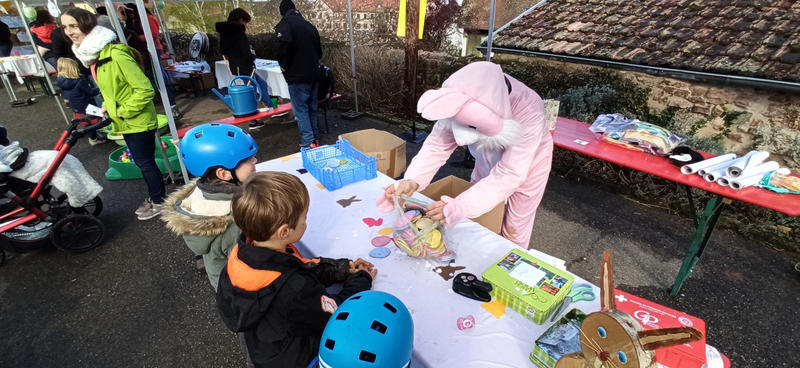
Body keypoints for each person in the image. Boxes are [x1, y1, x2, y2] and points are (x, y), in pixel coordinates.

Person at [380, 61, 554, 249]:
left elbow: (510, 174)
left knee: (515, 227)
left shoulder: (528, 107)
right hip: (484, 155)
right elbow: (436, 147)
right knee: (480, 217)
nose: (462, 142)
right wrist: (412, 180)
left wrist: (460, 206)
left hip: (529, 165)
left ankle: (508, 264)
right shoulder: (458, 94)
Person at [217, 171, 377, 367]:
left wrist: (342, 268)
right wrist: (360, 279)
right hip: (293, 359)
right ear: (284, 232)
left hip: (263, 348)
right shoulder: (294, 288)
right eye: (304, 218)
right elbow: (334, 315)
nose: (306, 222)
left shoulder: (245, 252)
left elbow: (301, 265)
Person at [62, 7, 166, 220]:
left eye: (73, 25)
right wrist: (109, 107)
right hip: (125, 120)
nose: (69, 31)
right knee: (142, 161)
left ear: (87, 25)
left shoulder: (116, 55)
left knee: (145, 162)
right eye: (64, 27)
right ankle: (157, 197)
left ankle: (159, 201)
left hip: (136, 119)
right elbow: (116, 89)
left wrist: (121, 111)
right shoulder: (96, 56)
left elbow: (145, 89)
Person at [161, 123, 258, 290]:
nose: (255, 160)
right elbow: (252, 267)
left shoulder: (203, 195)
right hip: (239, 290)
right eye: (248, 159)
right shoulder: (236, 223)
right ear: (223, 174)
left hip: (221, 277)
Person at [275, 0, 323, 148]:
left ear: (282, 12)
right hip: (314, 73)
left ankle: (308, 142)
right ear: (295, 9)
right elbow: (319, 52)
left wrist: (283, 65)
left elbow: (284, 47)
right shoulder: (309, 26)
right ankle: (315, 138)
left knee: (301, 110)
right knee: (312, 107)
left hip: (297, 76)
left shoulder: (285, 25)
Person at [216, 8, 262, 130]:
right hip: (245, 66)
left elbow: (224, 51)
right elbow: (246, 52)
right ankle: (253, 119)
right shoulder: (239, 34)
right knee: (252, 90)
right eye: (245, 22)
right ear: (241, 20)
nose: (246, 25)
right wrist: (252, 56)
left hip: (235, 65)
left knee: (259, 85)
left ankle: (270, 108)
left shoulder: (225, 33)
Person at [56, 57, 104, 145]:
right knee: (91, 123)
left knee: (84, 122)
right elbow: (90, 92)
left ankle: (79, 134)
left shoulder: (60, 81)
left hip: (75, 106)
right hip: (87, 105)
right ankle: (94, 139)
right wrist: (100, 89)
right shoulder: (79, 81)